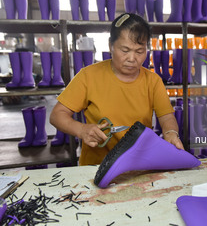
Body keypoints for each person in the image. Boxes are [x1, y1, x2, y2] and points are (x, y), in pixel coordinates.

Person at [50, 13, 184, 166]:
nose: (132, 58)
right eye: (125, 50)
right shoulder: (89, 76)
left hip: (138, 164)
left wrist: (171, 133)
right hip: (96, 167)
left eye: (139, 51)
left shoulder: (152, 81)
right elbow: (57, 115)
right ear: (110, 46)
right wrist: (81, 130)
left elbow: (166, 116)